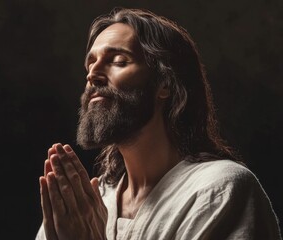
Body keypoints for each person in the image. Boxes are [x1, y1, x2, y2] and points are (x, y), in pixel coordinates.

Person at [35, 7, 282, 240]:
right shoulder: (81, 206)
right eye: (90, 65)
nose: (92, 74)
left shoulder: (218, 191)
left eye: (119, 61)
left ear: (164, 84)